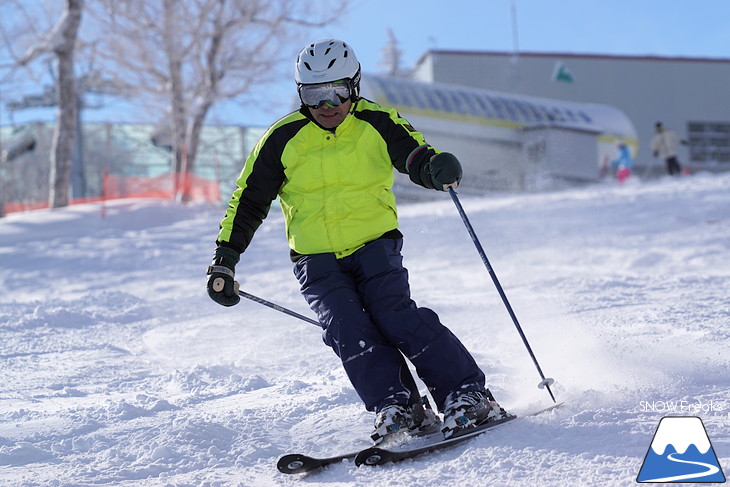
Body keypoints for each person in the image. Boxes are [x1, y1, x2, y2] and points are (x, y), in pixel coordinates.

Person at [206, 39, 508, 442]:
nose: (327, 104)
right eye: (314, 94)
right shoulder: (282, 139)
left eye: (338, 92)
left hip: (374, 244)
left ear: (355, 86)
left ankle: (467, 395)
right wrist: (225, 258)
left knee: (395, 315)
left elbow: (413, 154)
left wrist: (433, 168)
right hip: (316, 259)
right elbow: (248, 201)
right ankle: (399, 406)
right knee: (348, 328)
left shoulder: (377, 122)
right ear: (301, 94)